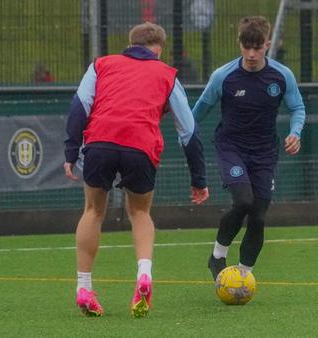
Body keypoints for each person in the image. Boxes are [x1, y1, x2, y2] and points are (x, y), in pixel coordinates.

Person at [63, 22, 209, 317]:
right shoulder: (167, 74)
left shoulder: (101, 65)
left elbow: (79, 106)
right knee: (140, 213)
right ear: (159, 49)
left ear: (130, 44)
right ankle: (144, 275)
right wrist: (198, 179)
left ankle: (84, 287)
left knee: (93, 211)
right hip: (140, 145)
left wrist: (70, 151)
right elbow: (189, 132)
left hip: (101, 141)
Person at [192, 16, 306, 280]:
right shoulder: (223, 76)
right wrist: (184, 133)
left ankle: (243, 276)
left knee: (258, 217)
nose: (252, 54)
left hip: (265, 153)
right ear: (240, 44)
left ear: (268, 44)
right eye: (247, 47)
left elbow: (297, 108)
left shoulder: (282, 75)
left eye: (258, 47)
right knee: (243, 201)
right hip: (231, 148)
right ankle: (218, 256)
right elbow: (200, 110)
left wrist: (295, 133)